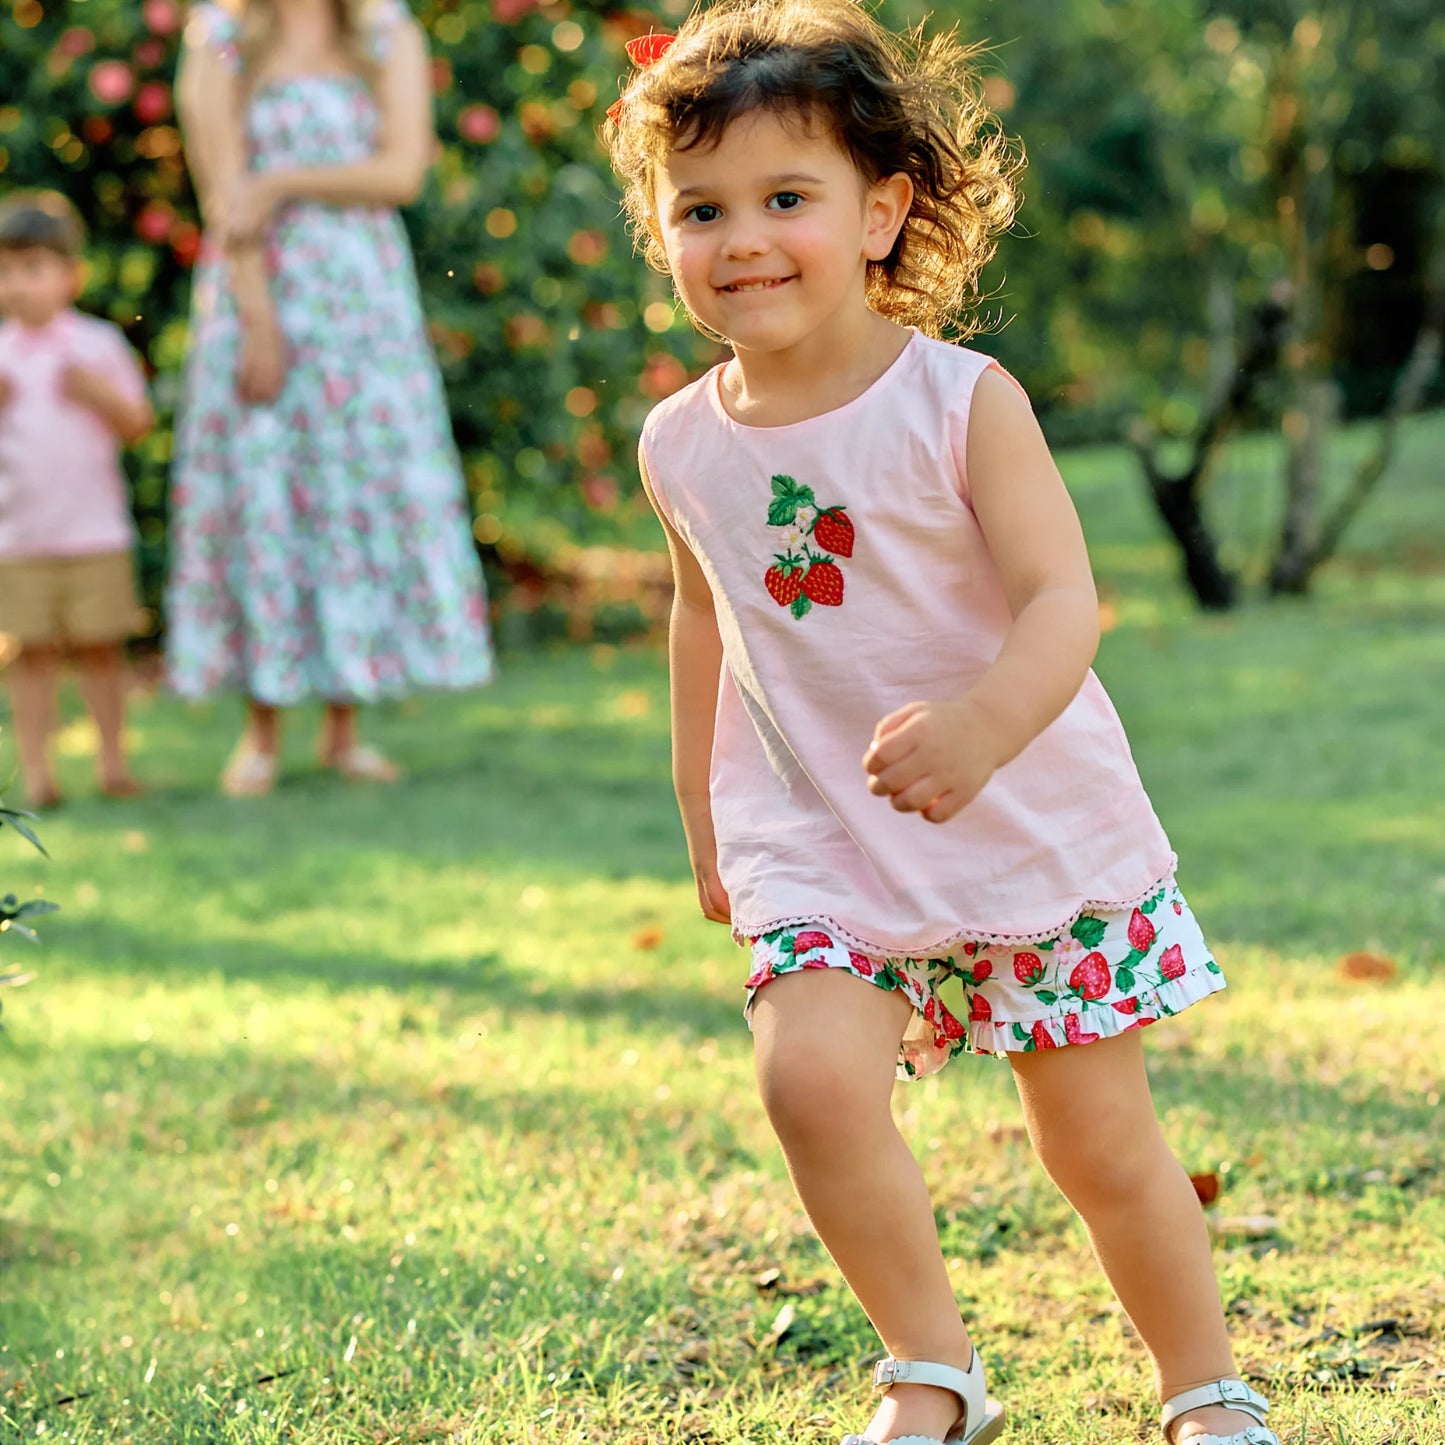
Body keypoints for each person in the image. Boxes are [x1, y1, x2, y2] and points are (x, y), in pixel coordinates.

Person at [605, 4, 1282, 1444]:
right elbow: (702, 621)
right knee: (808, 1081)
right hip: (819, 838)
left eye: (788, 198)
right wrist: (705, 819)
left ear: (881, 210)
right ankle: (933, 1371)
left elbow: (1059, 600)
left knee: (1094, 1143)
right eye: (701, 209)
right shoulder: (680, 441)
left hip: (1028, 822)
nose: (743, 239)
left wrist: (980, 727)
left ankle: (1203, 1387)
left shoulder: (959, 400)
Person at [168, 0, 494, 796]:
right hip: (259, 295)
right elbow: (223, 197)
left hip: (363, 307)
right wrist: (257, 320)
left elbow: (401, 169)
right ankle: (261, 730)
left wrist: (280, 180)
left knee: (353, 498)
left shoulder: (386, 33)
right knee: (263, 493)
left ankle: (346, 726)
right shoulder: (218, 39)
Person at [0, 192, 153, 809]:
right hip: (17, 537)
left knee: (101, 651)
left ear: (70, 275)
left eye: (31, 269)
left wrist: (100, 396)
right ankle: (37, 772)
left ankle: (113, 762)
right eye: (5, 272)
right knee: (28, 658)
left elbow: (138, 425)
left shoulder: (98, 345)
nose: (16, 286)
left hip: (94, 533)